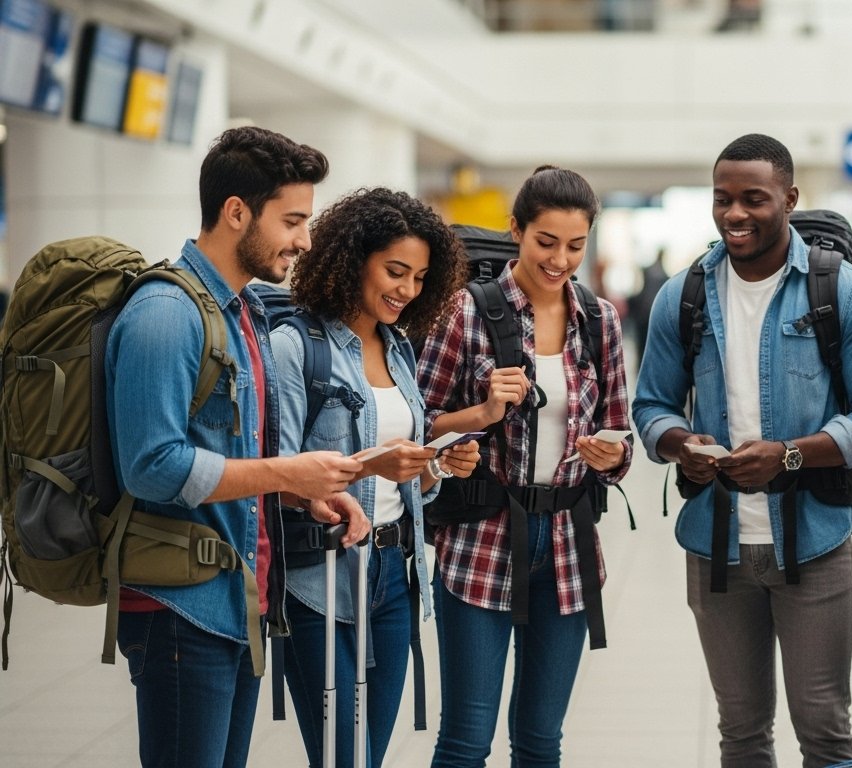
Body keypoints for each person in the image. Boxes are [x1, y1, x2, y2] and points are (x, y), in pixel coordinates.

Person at [632, 133, 852, 768]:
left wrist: (788, 455)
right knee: (742, 731)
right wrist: (683, 443)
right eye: (722, 199)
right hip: (716, 544)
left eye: (754, 199)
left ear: (789, 198)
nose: (735, 214)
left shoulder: (846, 291)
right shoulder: (684, 295)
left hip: (815, 538)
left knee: (825, 729)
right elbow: (651, 408)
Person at [105, 125, 371, 767]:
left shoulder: (241, 312)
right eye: (293, 220)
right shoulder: (166, 313)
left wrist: (301, 491)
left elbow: (232, 453)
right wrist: (285, 470)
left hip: (236, 602)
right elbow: (152, 465)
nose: (305, 240)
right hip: (179, 610)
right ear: (236, 213)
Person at [417, 165, 633, 767]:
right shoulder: (464, 312)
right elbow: (419, 423)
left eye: (575, 245)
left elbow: (620, 431)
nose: (559, 259)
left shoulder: (601, 321)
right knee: (465, 738)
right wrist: (479, 414)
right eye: (546, 242)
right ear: (516, 230)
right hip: (481, 538)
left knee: (541, 740)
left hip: (567, 544)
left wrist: (612, 455)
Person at [272, 187, 480, 767]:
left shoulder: (399, 349)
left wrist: (434, 465)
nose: (406, 291)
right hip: (320, 573)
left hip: (394, 577)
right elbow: (277, 475)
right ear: (353, 257)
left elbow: (402, 476)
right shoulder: (296, 347)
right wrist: (371, 463)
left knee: (371, 757)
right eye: (395, 271)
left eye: (418, 278)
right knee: (344, 758)